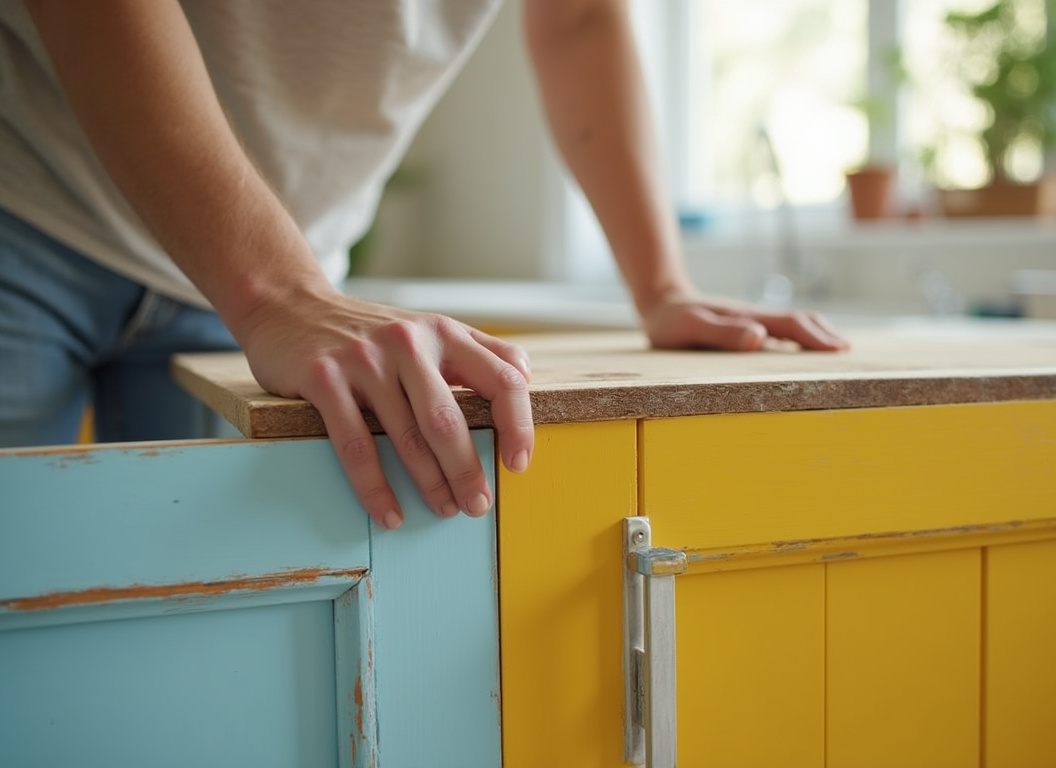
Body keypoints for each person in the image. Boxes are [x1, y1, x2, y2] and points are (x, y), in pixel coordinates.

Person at [0, 0, 848, 529]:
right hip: (29, 207)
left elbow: (582, 16)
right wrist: (278, 293)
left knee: (190, 648)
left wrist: (662, 286)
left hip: (272, 280)